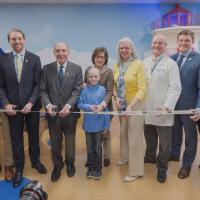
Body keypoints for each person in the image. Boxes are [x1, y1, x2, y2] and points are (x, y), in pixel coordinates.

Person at [0, 28, 47, 188]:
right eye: (13, 39)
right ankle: (18, 169)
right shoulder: (3, 59)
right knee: (17, 141)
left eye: (19, 38)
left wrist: (31, 102)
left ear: (24, 39)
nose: (17, 41)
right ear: (9, 41)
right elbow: (0, 86)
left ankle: (36, 162)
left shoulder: (35, 59)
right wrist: (6, 104)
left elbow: (37, 84)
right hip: (12, 108)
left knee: (34, 136)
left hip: (31, 107)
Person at [40, 42, 83, 182]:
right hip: (53, 115)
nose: (61, 53)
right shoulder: (46, 69)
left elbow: (77, 90)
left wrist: (69, 106)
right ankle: (57, 166)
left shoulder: (77, 69)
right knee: (56, 141)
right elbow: (43, 90)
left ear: (68, 52)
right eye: (58, 51)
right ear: (54, 53)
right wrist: (47, 105)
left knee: (70, 141)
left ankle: (70, 163)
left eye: (63, 50)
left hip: (70, 114)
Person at [143, 34, 182, 183]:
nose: (157, 45)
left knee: (165, 144)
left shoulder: (170, 64)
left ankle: (162, 168)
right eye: (155, 42)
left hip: (163, 110)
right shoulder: (145, 62)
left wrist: (167, 107)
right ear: (151, 44)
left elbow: (175, 88)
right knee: (150, 138)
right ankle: (150, 157)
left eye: (160, 43)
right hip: (147, 109)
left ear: (165, 46)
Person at [113, 37, 146, 182]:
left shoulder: (138, 64)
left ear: (132, 49)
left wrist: (131, 106)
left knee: (135, 138)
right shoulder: (117, 65)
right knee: (124, 133)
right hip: (122, 105)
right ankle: (125, 157)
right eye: (122, 48)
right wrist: (116, 99)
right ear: (118, 50)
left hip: (135, 105)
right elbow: (114, 85)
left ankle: (135, 170)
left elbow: (142, 89)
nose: (124, 50)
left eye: (127, 48)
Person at [169, 29, 200, 179]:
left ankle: (186, 165)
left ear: (192, 42)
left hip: (190, 107)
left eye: (187, 40)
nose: (183, 43)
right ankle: (174, 154)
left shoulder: (198, 59)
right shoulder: (171, 58)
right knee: (174, 133)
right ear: (177, 42)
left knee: (190, 137)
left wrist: (198, 107)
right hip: (172, 106)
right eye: (181, 40)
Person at [78, 67, 110, 180]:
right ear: (87, 78)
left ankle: (98, 169)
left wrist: (106, 125)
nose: (93, 78)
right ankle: (90, 168)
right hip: (88, 126)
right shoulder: (84, 90)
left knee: (97, 148)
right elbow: (80, 104)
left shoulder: (102, 90)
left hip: (99, 125)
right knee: (90, 148)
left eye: (96, 76)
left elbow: (105, 110)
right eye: (91, 76)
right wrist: (89, 107)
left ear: (99, 77)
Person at [84, 47, 114, 167]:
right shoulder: (88, 70)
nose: (99, 59)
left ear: (105, 58)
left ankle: (106, 156)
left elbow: (110, 91)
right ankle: (91, 158)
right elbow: (85, 86)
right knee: (91, 136)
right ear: (94, 57)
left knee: (104, 134)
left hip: (105, 108)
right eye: (97, 56)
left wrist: (102, 105)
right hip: (91, 110)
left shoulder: (109, 72)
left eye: (102, 57)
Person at [0, 47, 14, 181]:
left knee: (8, 136)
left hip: (3, 105)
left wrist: (5, 103)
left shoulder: (3, 55)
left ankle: (8, 166)